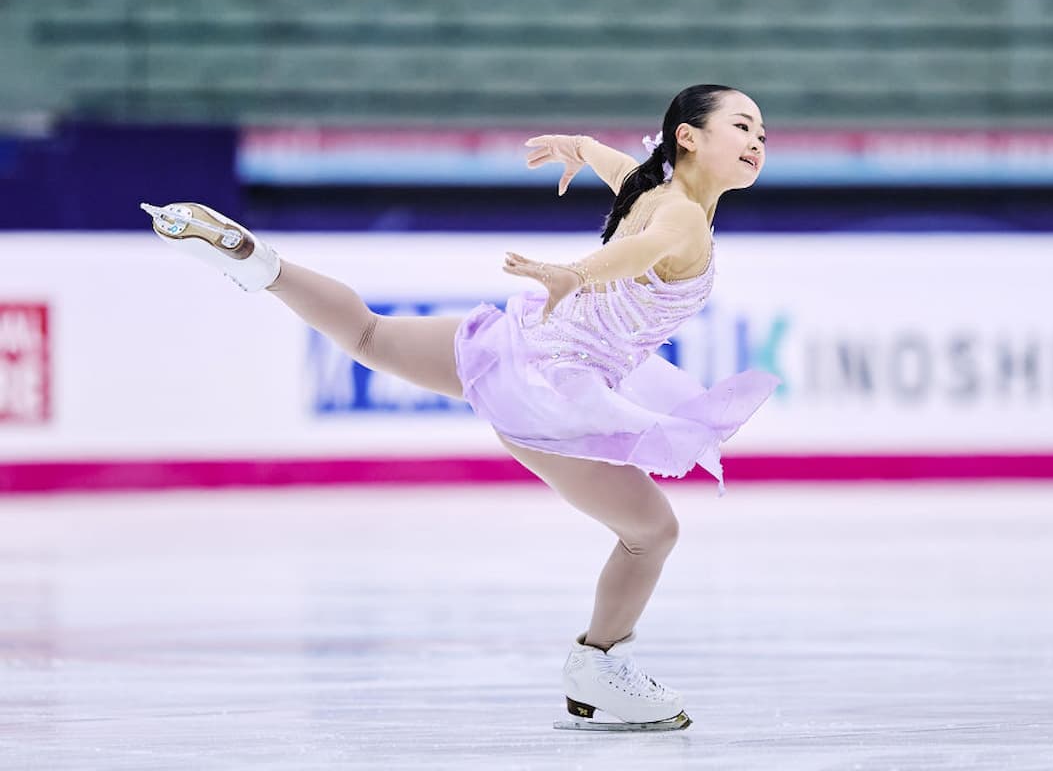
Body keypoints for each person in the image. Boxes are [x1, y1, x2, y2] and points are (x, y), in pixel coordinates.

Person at [140, 84, 779, 732]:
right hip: (558, 396)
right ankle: (598, 666)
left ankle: (263, 266)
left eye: (761, 131)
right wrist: (580, 273)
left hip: (517, 348)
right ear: (689, 137)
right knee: (653, 533)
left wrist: (582, 148)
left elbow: (626, 181)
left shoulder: (653, 191)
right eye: (743, 125)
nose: (757, 140)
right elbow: (643, 250)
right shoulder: (685, 218)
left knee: (369, 336)